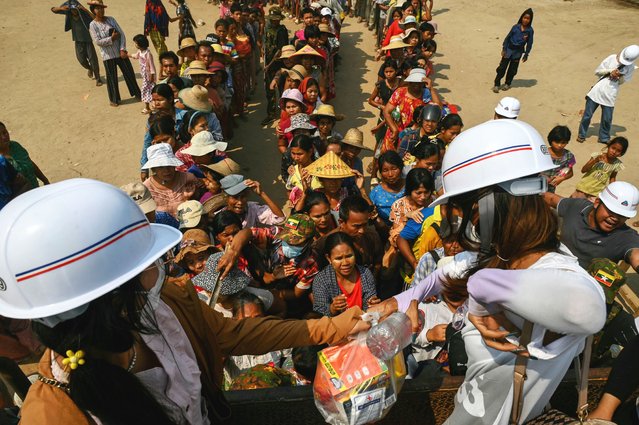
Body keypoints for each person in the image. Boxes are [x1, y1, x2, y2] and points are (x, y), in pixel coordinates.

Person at [3, 179, 367, 424]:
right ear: (111, 299)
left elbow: (237, 334)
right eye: (147, 263)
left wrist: (332, 327)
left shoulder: (169, 305)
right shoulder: (50, 413)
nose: (161, 267)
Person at [370, 119, 606, 424]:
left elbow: (588, 310)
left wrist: (480, 289)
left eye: (464, 208)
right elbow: (438, 278)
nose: (462, 219)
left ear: (490, 206)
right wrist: (390, 306)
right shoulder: (498, 257)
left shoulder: (553, 270)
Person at [544, 181, 639, 272]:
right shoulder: (577, 207)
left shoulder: (625, 237)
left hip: (586, 286)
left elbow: (636, 256)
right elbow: (551, 199)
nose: (615, 218)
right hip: (552, 269)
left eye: (622, 215)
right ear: (597, 202)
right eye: (611, 211)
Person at [577, 45, 638, 144]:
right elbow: (597, 72)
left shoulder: (630, 67)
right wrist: (610, 71)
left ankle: (604, 138)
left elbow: (623, 81)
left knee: (607, 119)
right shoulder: (611, 58)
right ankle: (582, 134)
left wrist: (619, 76)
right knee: (587, 115)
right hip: (596, 92)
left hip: (610, 95)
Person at [313, 195, 384, 277]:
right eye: (356, 226)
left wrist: (372, 280)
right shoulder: (324, 243)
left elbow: (378, 263)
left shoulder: (372, 236)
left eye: (365, 224)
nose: (362, 231)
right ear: (341, 223)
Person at [312, 232, 380, 316]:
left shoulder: (365, 274)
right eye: (338, 258)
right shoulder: (321, 280)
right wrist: (332, 309)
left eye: (349, 256)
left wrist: (372, 305)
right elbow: (319, 312)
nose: (345, 263)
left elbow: (369, 303)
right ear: (329, 258)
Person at [88, 0, 141, 106]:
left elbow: (121, 34)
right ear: (93, 10)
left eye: (102, 8)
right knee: (112, 78)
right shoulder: (93, 25)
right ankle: (114, 99)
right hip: (108, 56)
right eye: (98, 8)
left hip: (120, 53)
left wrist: (122, 49)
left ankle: (137, 94)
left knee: (129, 73)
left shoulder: (111, 19)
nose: (101, 10)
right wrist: (111, 39)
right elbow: (98, 42)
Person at [142, 143, 198, 224]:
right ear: (153, 169)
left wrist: (188, 198)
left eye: (169, 165)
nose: (167, 170)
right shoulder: (146, 189)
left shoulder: (188, 178)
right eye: (161, 167)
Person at [50, 0, 103, 86]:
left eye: (75, 10)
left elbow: (95, 19)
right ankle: (90, 69)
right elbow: (53, 9)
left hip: (87, 41)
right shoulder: (68, 13)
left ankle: (98, 78)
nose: (74, 11)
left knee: (93, 60)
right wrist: (61, 8)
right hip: (77, 41)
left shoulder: (84, 14)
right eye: (72, 10)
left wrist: (85, 10)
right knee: (81, 60)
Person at [382, 67, 426, 153]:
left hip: (413, 138)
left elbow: (438, 109)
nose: (417, 84)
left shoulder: (427, 95)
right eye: (414, 82)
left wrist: (431, 89)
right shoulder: (400, 92)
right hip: (395, 135)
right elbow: (386, 111)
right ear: (410, 82)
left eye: (420, 82)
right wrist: (394, 129)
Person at [219, 174, 286, 228]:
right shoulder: (219, 217)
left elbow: (280, 218)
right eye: (235, 197)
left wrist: (262, 193)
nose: (240, 202)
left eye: (243, 196)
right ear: (226, 198)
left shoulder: (252, 209)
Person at [492, 8, 534, 93]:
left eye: (528, 18)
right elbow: (507, 38)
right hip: (508, 50)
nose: (525, 20)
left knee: (512, 70)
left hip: (517, 53)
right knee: (502, 68)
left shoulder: (530, 31)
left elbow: (529, 43)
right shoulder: (515, 27)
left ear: (530, 20)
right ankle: (497, 84)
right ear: (521, 17)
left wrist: (526, 54)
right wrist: (504, 49)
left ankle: (508, 83)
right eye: (524, 17)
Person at [0, 122, 50, 189]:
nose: (4, 137)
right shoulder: (1, 162)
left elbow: (29, 163)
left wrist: (45, 180)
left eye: (4, 132)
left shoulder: (15, 146)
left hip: (36, 190)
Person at [370, 150, 405, 225]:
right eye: (385, 170)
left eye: (394, 169)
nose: (390, 174)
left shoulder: (410, 186)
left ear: (401, 167)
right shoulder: (376, 193)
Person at [540, 125, 575, 193]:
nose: (559, 145)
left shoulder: (569, 156)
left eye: (563, 143)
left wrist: (562, 178)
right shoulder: (542, 153)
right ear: (551, 140)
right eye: (557, 142)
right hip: (536, 185)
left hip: (550, 189)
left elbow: (570, 173)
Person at [129, 34, 157, 114]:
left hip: (149, 77)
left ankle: (149, 107)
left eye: (136, 43)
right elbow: (136, 56)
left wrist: (151, 77)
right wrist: (129, 55)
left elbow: (151, 66)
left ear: (141, 44)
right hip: (145, 76)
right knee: (148, 91)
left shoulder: (148, 54)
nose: (135, 44)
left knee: (147, 90)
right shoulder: (140, 52)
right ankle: (150, 107)